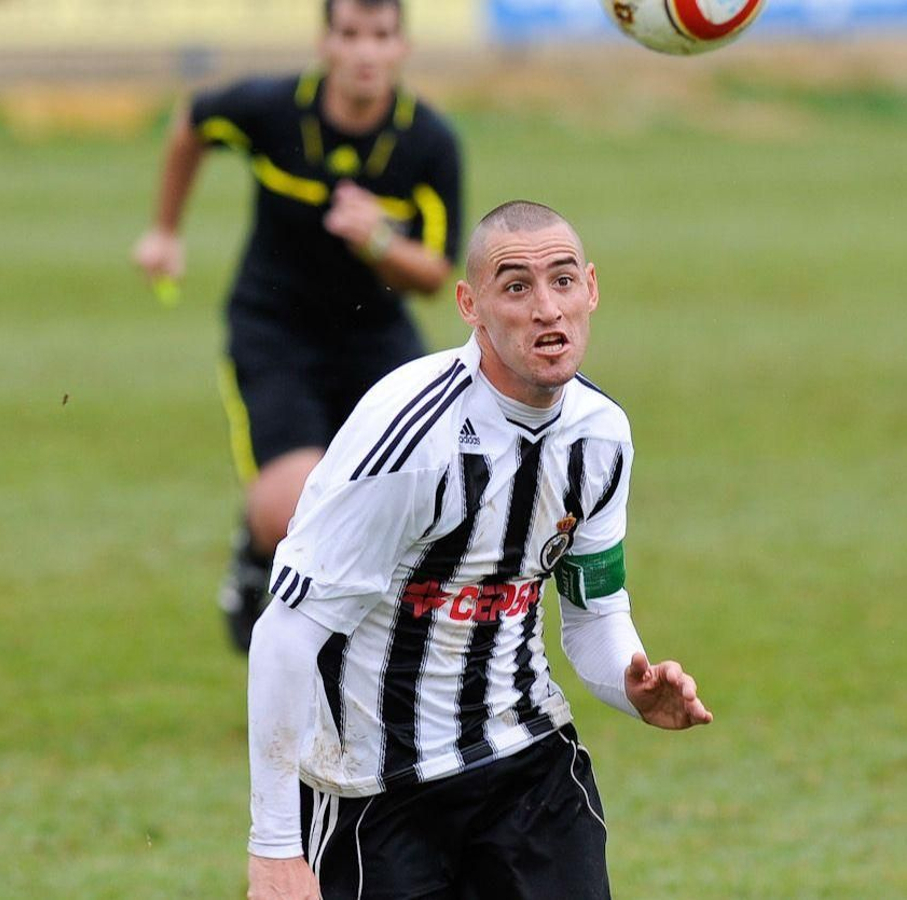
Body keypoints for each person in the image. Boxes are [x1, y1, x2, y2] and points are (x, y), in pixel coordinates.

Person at [245, 201, 713, 900]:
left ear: (591, 289)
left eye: (561, 281)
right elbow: (285, 634)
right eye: (516, 286)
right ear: (471, 304)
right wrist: (276, 849)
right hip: (380, 792)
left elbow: (592, 613)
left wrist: (632, 682)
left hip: (527, 766)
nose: (547, 309)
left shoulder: (601, 438)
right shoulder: (408, 441)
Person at [132, 0, 462, 653]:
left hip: (376, 335)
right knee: (290, 510)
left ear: (403, 48)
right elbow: (192, 123)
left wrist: (379, 244)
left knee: (422, 504)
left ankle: (373, 661)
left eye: (381, 36)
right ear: (325, 43)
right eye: (350, 35)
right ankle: (255, 554)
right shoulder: (272, 109)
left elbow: (435, 273)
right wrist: (165, 230)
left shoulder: (429, 140)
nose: (365, 52)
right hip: (274, 328)